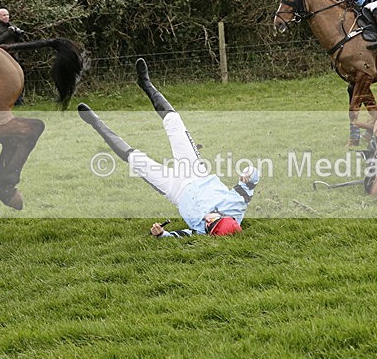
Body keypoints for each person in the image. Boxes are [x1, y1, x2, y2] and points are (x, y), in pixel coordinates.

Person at [78, 58, 258, 239]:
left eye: (209, 226)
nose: (207, 220)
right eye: (213, 219)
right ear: (226, 215)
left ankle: (95, 122)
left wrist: (161, 233)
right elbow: (252, 179)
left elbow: (179, 235)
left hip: (176, 191)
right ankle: (146, 83)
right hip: (196, 173)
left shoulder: (201, 230)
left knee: (136, 160)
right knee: (174, 122)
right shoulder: (235, 204)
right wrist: (248, 173)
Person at [0, 8, 25, 104]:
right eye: (4, 15)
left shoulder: (11, 26)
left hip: (13, 55)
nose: (6, 17)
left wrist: (18, 34)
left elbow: (19, 40)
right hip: (2, 56)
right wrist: (8, 33)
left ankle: (19, 100)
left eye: (7, 15)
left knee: (17, 77)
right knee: (4, 79)